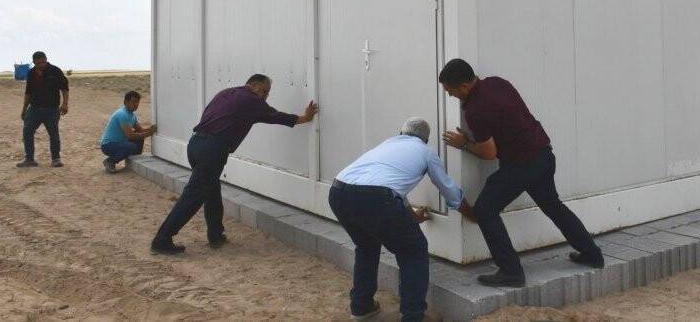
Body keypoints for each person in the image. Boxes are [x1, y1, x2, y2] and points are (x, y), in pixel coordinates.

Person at [439, 59, 603, 287]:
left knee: (485, 210)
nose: (450, 96)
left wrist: (464, 143)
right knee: (553, 205)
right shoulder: (498, 83)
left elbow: (488, 152)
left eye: (451, 91)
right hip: (543, 154)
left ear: (464, 87)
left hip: (521, 163)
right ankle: (592, 254)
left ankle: (511, 272)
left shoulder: (476, 109)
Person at [151, 74, 318, 255]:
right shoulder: (252, 101)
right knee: (193, 196)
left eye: (268, 93)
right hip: (212, 150)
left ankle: (216, 235)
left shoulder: (226, 92)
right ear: (253, 85)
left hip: (196, 144)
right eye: (264, 91)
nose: (265, 96)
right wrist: (304, 118)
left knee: (212, 191)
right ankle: (162, 239)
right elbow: (276, 116)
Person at [330, 118, 474, 321]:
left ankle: (361, 308)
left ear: (401, 132)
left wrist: (411, 215)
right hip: (376, 198)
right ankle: (413, 315)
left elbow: (389, 184)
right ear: (425, 139)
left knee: (366, 246)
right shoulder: (426, 151)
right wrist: (467, 210)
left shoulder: (388, 144)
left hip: (339, 192)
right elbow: (446, 188)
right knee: (413, 251)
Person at [17, 51, 69, 168]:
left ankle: (56, 159)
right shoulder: (31, 73)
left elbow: (64, 89)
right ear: (34, 62)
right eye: (39, 62)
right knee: (27, 131)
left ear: (46, 59)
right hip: (34, 109)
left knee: (53, 134)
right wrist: (24, 109)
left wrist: (65, 104)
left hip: (52, 110)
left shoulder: (55, 71)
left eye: (43, 61)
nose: (42, 64)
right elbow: (28, 93)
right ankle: (29, 159)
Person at [100, 90, 156, 173]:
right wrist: (148, 133)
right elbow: (130, 136)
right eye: (133, 102)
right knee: (131, 146)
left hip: (119, 143)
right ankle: (110, 161)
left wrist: (151, 129)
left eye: (137, 102)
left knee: (139, 138)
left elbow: (140, 130)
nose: (136, 105)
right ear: (125, 102)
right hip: (108, 145)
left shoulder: (132, 115)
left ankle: (134, 159)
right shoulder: (123, 114)